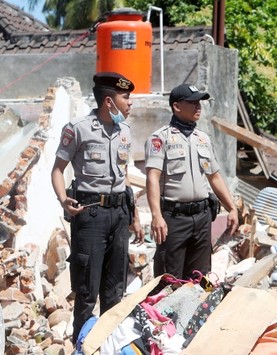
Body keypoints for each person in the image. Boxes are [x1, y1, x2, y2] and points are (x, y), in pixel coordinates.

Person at [51, 72, 145, 344]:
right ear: (108, 101)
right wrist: (62, 198)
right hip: (90, 215)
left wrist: (134, 216)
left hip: (119, 215)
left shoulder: (125, 130)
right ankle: (83, 346)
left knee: (115, 290)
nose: (130, 103)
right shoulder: (77, 128)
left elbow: (124, 177)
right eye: (126, 98)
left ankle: (108, 346)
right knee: (87, 290)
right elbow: (58, 170)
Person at [145, 84, 239, 280]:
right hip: (174, 218)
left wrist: (232, 208)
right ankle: (167, 310)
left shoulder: (203, 138)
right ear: (177, 107)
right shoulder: (160, 138)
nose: (198, 107)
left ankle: (197, 310)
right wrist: (156, 216)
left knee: (200, 276)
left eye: (199, 102)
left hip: (202, 217)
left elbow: (214, 176)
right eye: (193, 102)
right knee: (169, 277)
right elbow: (152, 178)